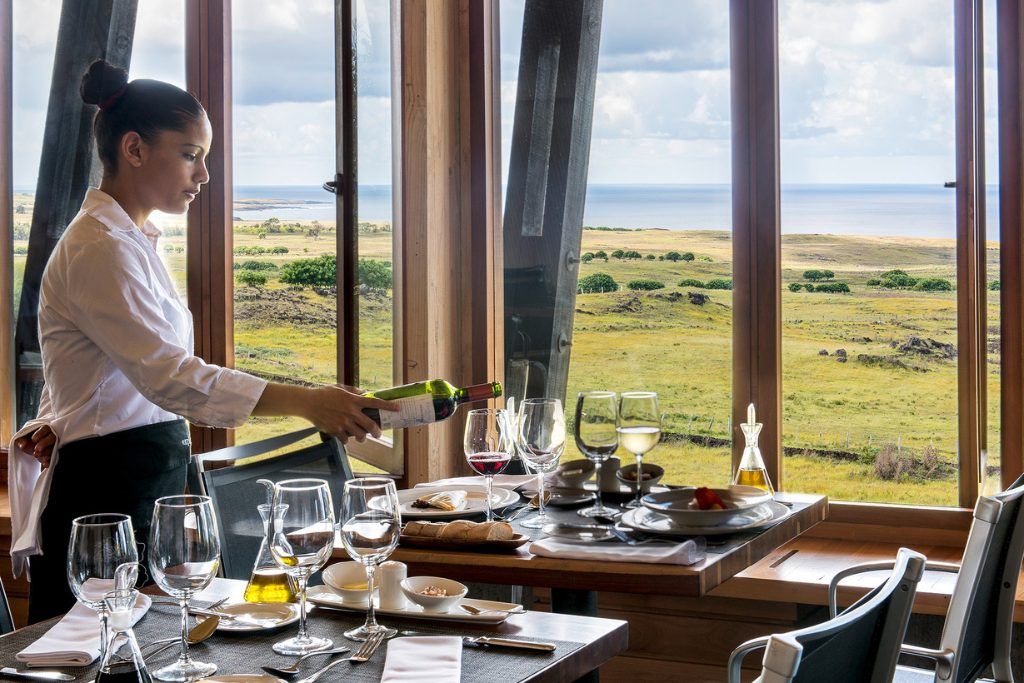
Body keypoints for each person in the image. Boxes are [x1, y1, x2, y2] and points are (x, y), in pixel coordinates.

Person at [10, 60, 399, 623]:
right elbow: (170, 376)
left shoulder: (130, 238)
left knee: (165, 647)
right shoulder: (101, 248)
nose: (205, 175)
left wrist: (63, 415)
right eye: (191, 154)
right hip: (108, 492)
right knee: (107, 655)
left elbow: (92, 364)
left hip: (145, 473)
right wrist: (309, 402)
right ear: (135, 149)